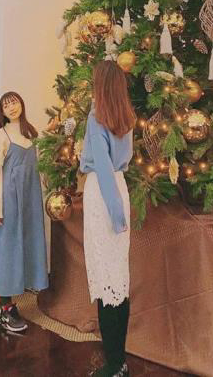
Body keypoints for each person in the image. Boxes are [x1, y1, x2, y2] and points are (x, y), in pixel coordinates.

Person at [80, 61, 136, 377]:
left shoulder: (96, 118)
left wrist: (114, 214)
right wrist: (119, 212)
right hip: (120, 189)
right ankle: (119, 360)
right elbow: (118, 165)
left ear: (100, 86)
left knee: (106, 279)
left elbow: (101, 167)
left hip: (103, 196)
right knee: (119, 277)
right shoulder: (126, 119)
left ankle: (114, 364)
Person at [0, 91, 48, 333]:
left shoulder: (30, 134)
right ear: (2, 112)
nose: (12, 107)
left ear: (21, 104)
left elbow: (39, 163)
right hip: (9, 200)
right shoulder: (2, 136)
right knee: (6, 251)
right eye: (6, 105)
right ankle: (3, 306)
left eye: (14, 102)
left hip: (29, 198)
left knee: (23, 247)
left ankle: (2, 306)